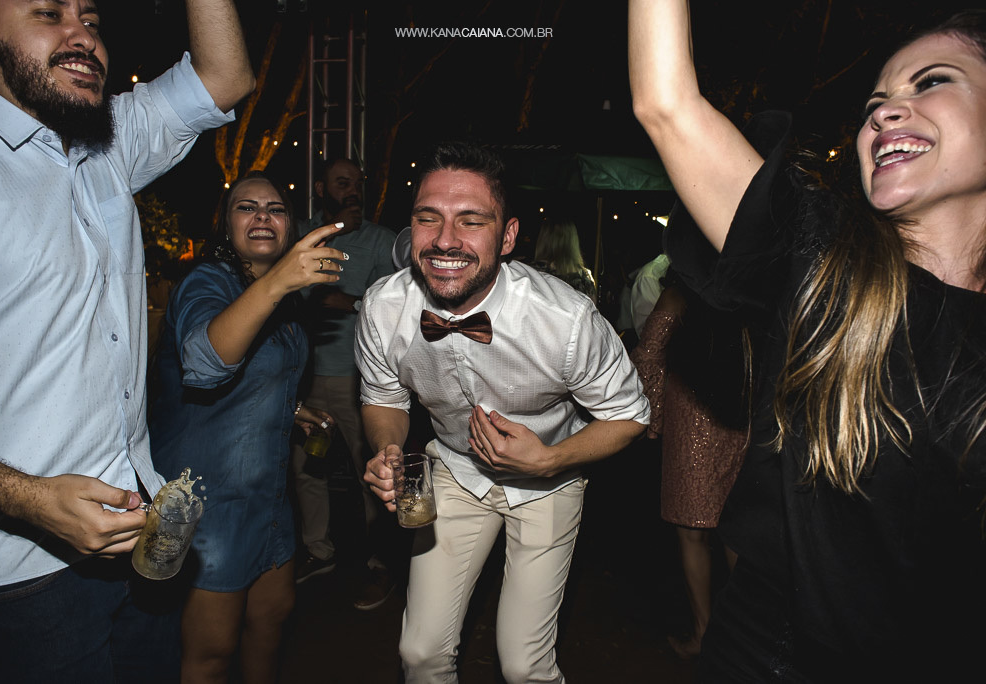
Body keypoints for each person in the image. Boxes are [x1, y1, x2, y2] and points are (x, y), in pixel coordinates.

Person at [631, 2, 986, 680]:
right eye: (876, 101)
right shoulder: (818, 261)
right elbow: (666, 103)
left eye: (931, 81)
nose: (884, 112)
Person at [0, 1, 253, 681]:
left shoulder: (105, 141)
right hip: (18, 577)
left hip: (144, 539)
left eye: (90, 18)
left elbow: (225, 75)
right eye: (47, 13)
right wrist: (29, 500)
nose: (82, 37)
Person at [359, 142, 649, 682]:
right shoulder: (383, 307)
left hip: (551, 483)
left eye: (471, 222)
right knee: (420, 653)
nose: (445, 240)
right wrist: (388, 447)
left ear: (508, 236)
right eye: (429, 219)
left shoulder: (565, 319)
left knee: (523, 666)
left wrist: (551, 460)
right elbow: (383, 398)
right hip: (453, 471)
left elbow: (631, 415)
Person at [149, 173, 344, 683]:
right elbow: (205, 363)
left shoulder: (288, 300)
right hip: (206, 503)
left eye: (275, 208)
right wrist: (280, 279)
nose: (262, 216)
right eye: (246, 207)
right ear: (225, 223)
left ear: (290, 224)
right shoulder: (206, 281)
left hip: (269, 497)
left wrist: (289, 407)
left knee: (270, 624)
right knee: (212, 653)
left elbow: (261, 370)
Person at [290, 157, 397, 608]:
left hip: (357, 379)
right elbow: (285, 295)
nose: (352, 190)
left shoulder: (382, 242)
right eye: (341, 183)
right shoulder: (303, 237)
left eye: (357, 182)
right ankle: (319, 551)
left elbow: (396, 305)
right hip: (305, 376)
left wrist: (350, 302)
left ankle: (382, 561)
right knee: (306, 468)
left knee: (369, 470)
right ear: (321, 189)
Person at [630, 280, 748, 660]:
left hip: (692, 417)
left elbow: (648, 355)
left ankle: (703, 634)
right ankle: (747, 638)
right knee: (737, 531)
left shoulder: (680, 292)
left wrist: (653, 420)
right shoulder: (751, 282)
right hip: (741, 411)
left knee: (692, 533)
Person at [532, 218, 597, 302]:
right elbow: (592, 311)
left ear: (542, 240)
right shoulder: (584, 280)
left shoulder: (528, 273)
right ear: (573, 242)